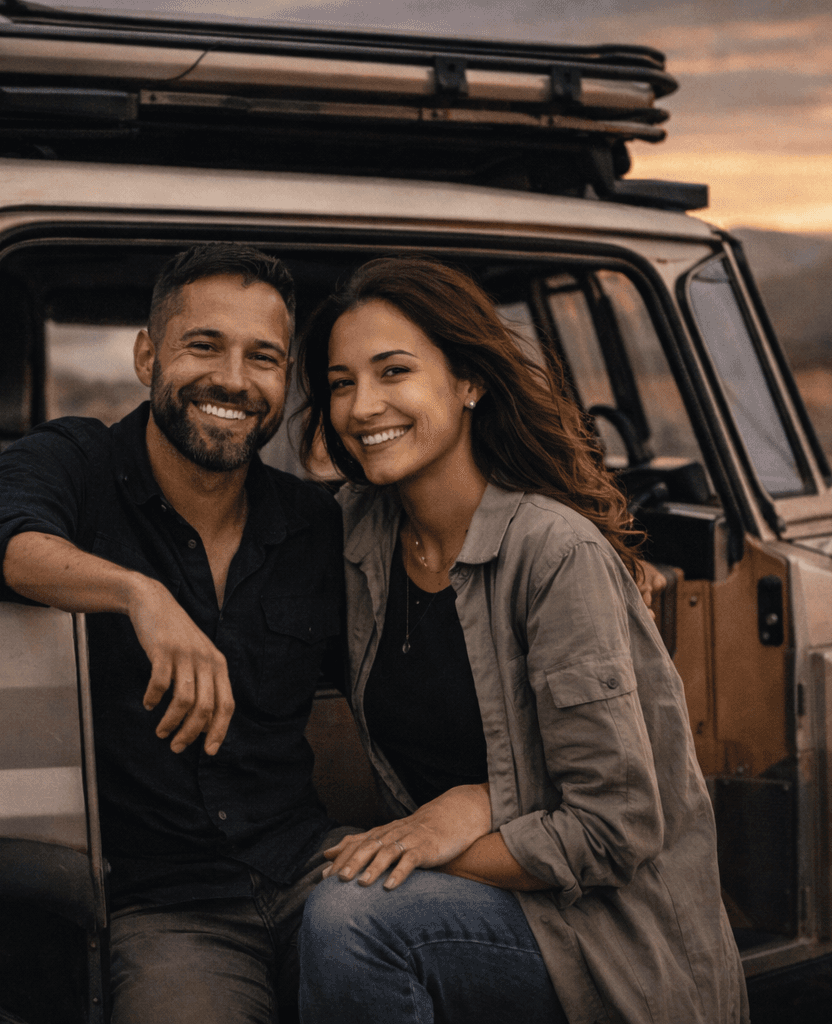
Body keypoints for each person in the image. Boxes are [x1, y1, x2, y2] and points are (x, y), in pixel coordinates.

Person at [293, 257, 747, 1024]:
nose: (363, 406)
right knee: (302, 889)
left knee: (350, 917)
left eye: (393, 371)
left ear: (468, 383)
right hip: (480, 902)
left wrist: (443, 829)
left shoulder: (552, 551)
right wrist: (144, 602)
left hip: (604, 937)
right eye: (341, 383)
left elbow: (614, 829)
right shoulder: (359, 532)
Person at [0, 243, 352, 1024]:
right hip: (167, 908)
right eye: (204, 345)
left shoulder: (312, 523)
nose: (233, 380)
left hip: (314, 869)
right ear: (148, 355)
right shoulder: (77, 460)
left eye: (262, 358)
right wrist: (140, 595)